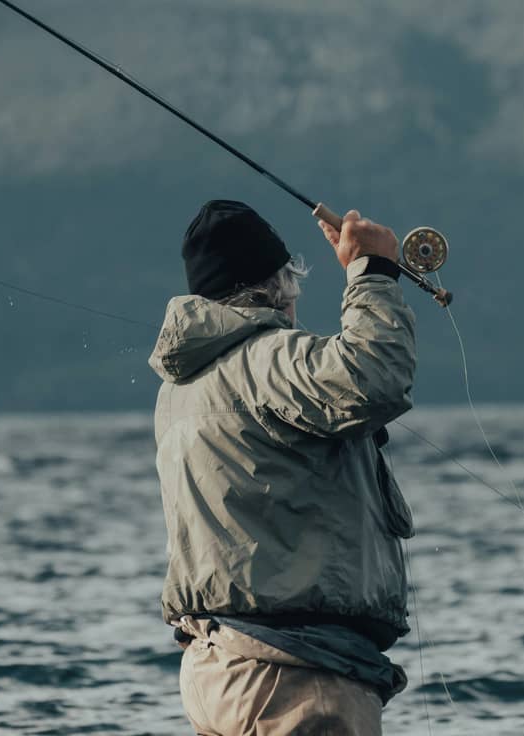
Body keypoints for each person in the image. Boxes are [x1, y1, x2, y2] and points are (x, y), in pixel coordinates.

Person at [148, 199, 418, 735]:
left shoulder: (181, 388)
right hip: (290, 677)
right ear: (277, 287)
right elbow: (374, 377)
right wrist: (372, 273)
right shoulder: (266, 360)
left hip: (216, 669)